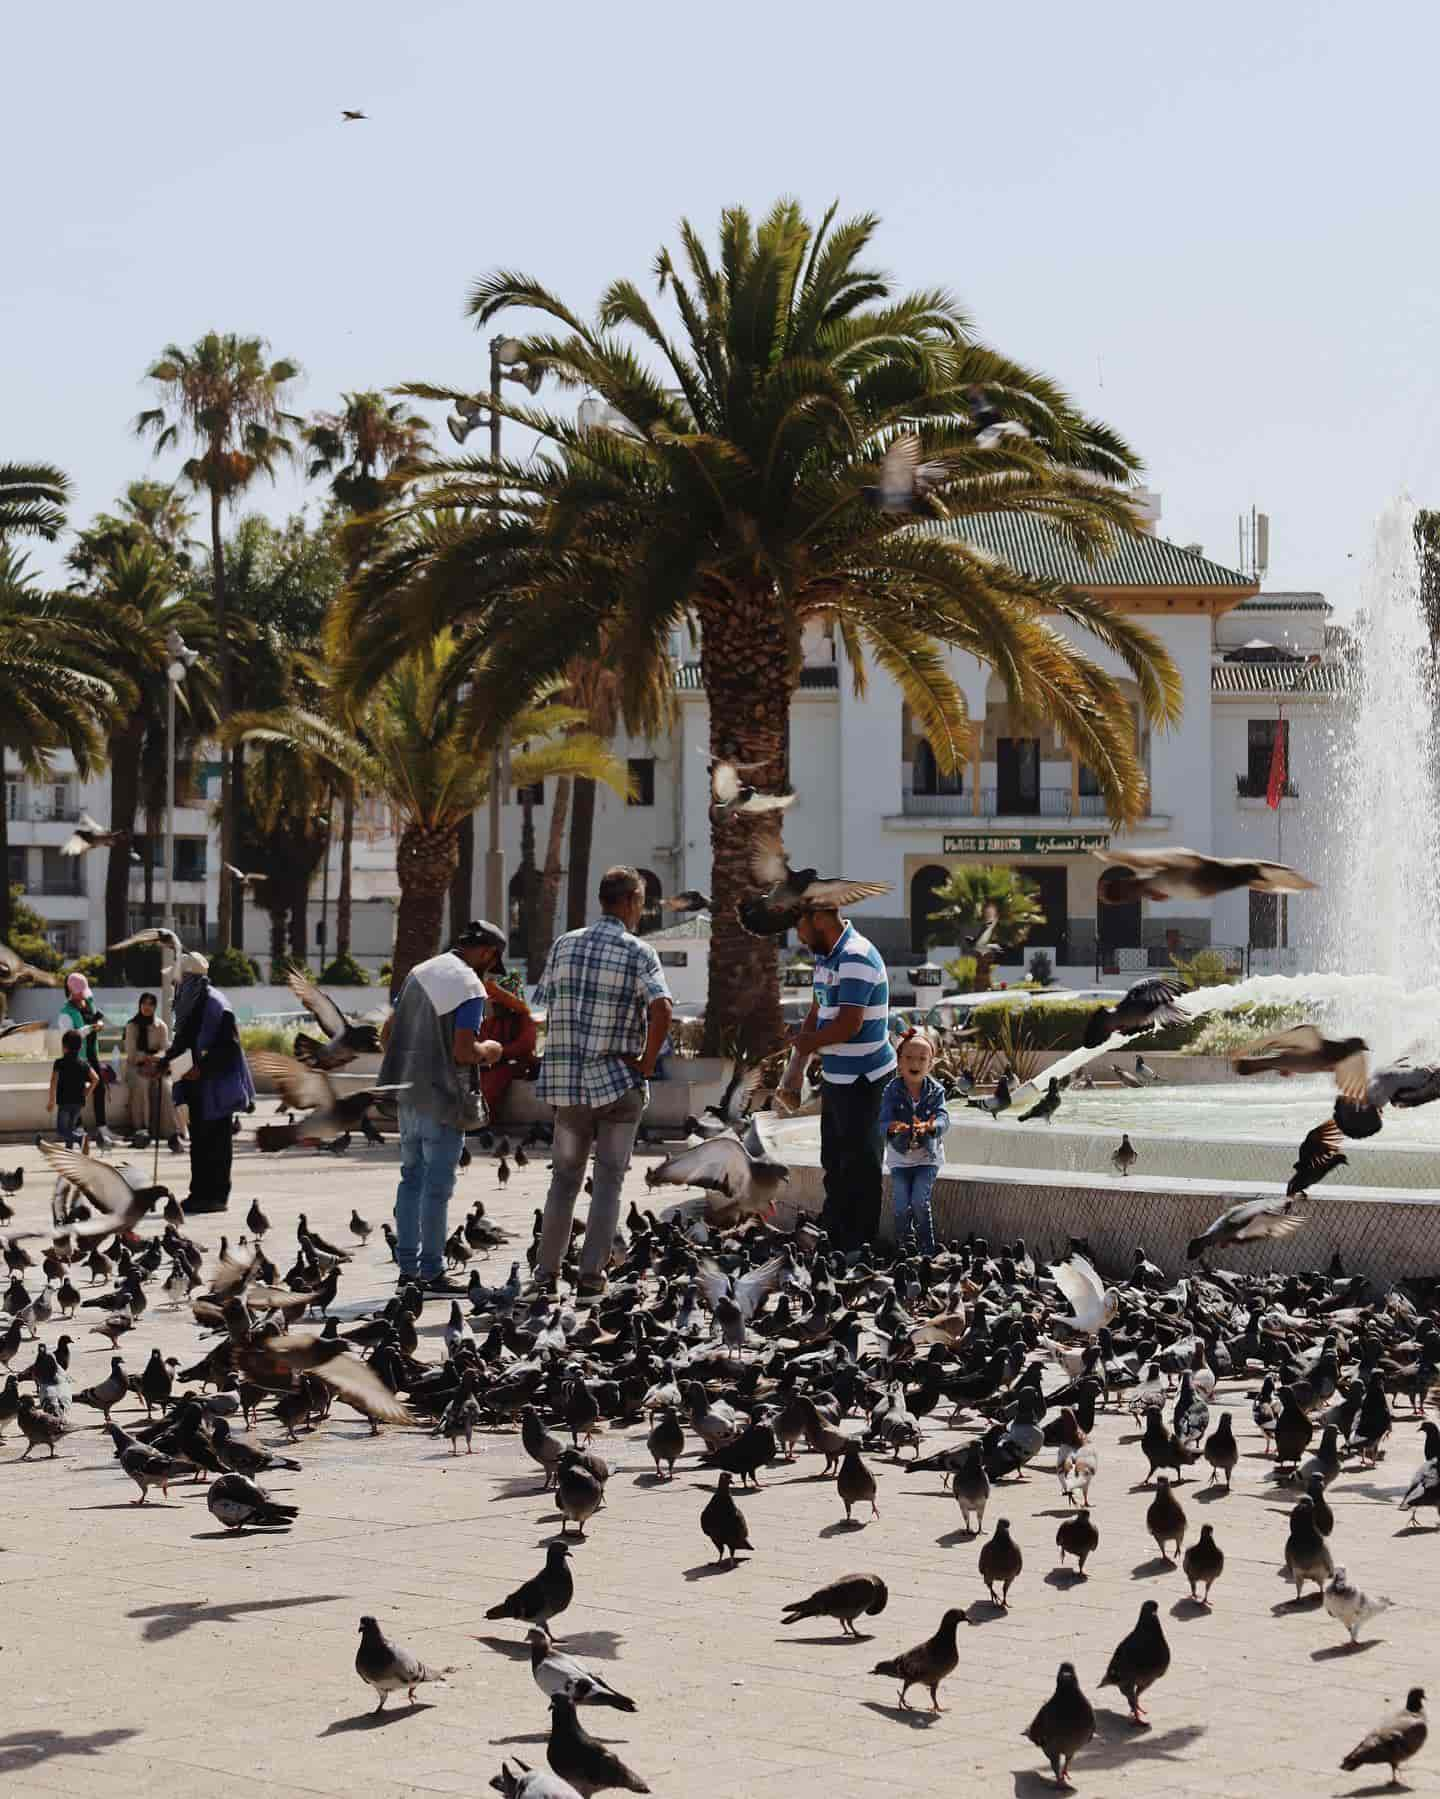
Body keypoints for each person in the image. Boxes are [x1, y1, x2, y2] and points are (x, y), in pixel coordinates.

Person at [532, 866, 672, 1300]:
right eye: (642, 902)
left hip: (568, 1089)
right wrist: (647, 1061)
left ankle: (545, 1280)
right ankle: (591, 1281)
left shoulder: (564, 945)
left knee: (564, 1181)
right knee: (608, 1181)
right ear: (631, 900)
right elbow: (662, 1008)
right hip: (617, 1084)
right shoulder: (639, 951)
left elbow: (542, 1008)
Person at [378, 920, 506, 1294]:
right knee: (437, 1187)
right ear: (486, 953)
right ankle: (432, 1272)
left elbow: (387, 1034)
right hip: (443, 1100)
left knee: (410, 1179)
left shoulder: (419, 974)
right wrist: (491, 1051)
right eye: (491, 961)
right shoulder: (469, 986)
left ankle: (407, 1272)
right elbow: (464, 1051)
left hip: (407, 1097)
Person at [781, 902, 895, 1252]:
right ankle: (834, 1232)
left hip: (866, 1079)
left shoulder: (856, 955)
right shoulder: (827, 957)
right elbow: (818, 1012)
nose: (797, 934)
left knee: (861, 1165)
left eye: (798, 924)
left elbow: (849, 1024)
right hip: (838, 1077)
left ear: (818, 919)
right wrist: (795, 1069)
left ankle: (859, 1244)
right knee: (834, 1160)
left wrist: (805, 1042)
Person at [156, 952, 255, 1213]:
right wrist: (163, 1063)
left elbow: (229, 1049)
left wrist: (201, 1069)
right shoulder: (192, 1003)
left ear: (190, 978)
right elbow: (182, 1042)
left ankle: (217, 1196)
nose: (176, 983)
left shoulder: (216, 1005)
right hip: (197, 1086)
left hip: (217, 1087)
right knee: (199, 1142)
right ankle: (198, 1193)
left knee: (217, 1144)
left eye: (180, 977)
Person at [878, 1028, 950, 1257]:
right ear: (899, 1062)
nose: (915, 1063)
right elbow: (882, 1121)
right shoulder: (891, 1089)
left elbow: (944, 1118)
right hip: (900, 1159)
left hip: (927, 1158)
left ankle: (927, 1248)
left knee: (919, 1201)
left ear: (931, 1064)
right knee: (900, 1205)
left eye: (922, 1058)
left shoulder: (936, 1090)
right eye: (908, 1057)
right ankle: (905, 1246)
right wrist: (891, 1126)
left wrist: (932, 1127)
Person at [122, 991, 184, 1153]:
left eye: (151, 1004)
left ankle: (171, 1133)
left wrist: (155, 1062)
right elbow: (132, 1053)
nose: (147, 1007)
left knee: (166, 1088)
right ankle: (141, 1129)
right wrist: (148, 1059)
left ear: (155, 1007)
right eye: (144, 1003)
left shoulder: (160, 1026)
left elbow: (165, 1050)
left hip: (157, 1067)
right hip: (135, 1067)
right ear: (140, 1005)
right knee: (141, 1084)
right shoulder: (132, 1026)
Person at [477, 960, 538, 1122]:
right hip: (490, 1065)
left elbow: (526, 1045)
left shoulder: (523, 1019)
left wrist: (500, 1052)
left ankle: (484, 1120)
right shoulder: (491, 1022)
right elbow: (480, 1042)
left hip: (515, 1065)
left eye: (499, 1004)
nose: (495, 1007)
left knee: (495, 1078)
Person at [58, 972, 112, 1147]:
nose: (83, 994)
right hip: (76, 1059)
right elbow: (69, 1036)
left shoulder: (88, 1002)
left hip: (91, 1053)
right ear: (72, 991)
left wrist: (99, 1025)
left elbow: (97, 1017)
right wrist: (90, 1028)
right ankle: (78, 1127)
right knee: (76, 1093)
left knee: (100, 1089)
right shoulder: (65, 1012)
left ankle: (102, 1127)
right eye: (80, 991)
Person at [49, 1028, 97, 1147]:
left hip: (64, 1101)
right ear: (80, 1047)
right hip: (78, 1101)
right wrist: (87, 1091)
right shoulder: (84, 1064)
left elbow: (53, 1081)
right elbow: (96, 1078)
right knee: (70, 1129)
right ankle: (69, 1154)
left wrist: (51, 1100)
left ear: (64, 1047)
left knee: (62, 1130)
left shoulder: (59, 1063)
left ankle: (80, 1139)